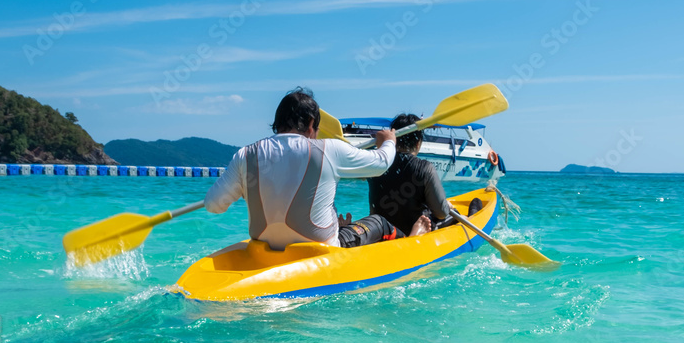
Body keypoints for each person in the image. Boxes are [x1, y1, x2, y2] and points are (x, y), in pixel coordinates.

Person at [205, 88, 422, 250]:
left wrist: (244, 188)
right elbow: (381, 164)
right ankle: (413, 243)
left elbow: (213, 205)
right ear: (311, 124)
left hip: (266, 251)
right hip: (320, 252)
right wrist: (388, 141)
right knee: (379, 222)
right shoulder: (329, 149)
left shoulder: (245, 155)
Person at [363, 113, 481, 235]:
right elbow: (441, 213)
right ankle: (470, 216)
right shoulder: (424, 168)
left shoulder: (375, 165)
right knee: (456, 213)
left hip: (382, 231)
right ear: (418, 142)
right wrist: (447, 206)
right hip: (416, 231)